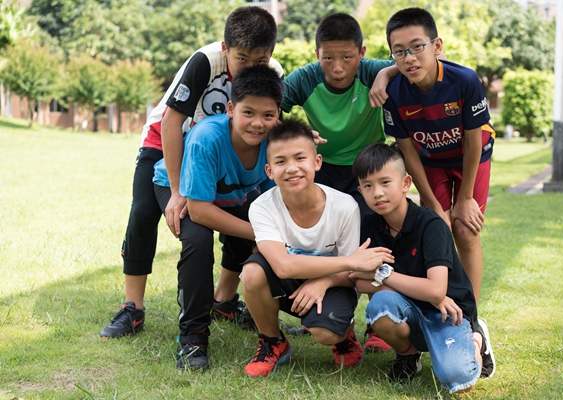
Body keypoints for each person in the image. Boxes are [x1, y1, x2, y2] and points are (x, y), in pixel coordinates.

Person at [100, 6, 283, 339]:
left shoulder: (273, 72)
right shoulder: (206, 62)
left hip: (218, 150)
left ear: (270, 55)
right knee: (144, 211)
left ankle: (223, 300)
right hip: (167, 140)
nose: (249, 68)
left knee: (242, 208)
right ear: (226, 49)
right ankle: (132, 307)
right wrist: (177, 191)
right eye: (241, 59)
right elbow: (172, 122)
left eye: (260, 60)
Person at [151, 64, 284, 370]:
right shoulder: (207, 138)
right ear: (230, 109)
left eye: (268, 115)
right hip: (182, 190)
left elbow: (272, 198)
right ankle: (192, 337)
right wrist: (258, 233)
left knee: (259, 227)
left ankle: (244, 310)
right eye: (248, 113)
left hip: (231, 195)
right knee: (198, 241)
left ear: (278, 115)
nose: (257, 123)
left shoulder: (275, 141)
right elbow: (199, 210)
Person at [280, 11, 398, 351]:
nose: (337, 67)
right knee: (325, 241)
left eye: (347, 57)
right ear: (316, 53)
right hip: (324, 169)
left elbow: (411, 64)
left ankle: (378, 322)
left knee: (376, 238)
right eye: (328, 57)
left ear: (362, 53)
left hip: (367, 168)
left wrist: (386, 73)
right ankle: (331, 316)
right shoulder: (304, 79)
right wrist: (301, 135)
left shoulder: (372, 71)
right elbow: (268, 109)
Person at [241, 119, 395, 377]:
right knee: (252, 272)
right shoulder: (262, 207)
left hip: (334, 282)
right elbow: (282, 266)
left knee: (326, 334)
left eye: (300, 158)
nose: (292, 168)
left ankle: (344, 336)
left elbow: (353, 276)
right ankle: (272, 341)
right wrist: (352, 261)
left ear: (317, 162)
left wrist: (323, 282)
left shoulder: (345, 206)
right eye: (280, 161)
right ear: (269, 171)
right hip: (288, 280)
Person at [350, 142, 496, 392]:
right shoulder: (370, 225)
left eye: (385, 182)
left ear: (405, 183)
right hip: (409, 309)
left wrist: (383, 273)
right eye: (368, 186)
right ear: (360, 190)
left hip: (448, 312)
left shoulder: (431, 225)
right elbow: (360, 282)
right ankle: (408, 356)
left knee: (459, 381)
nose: (377, 193)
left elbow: (437, 292)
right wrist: (421, 291)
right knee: (380, 305)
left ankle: (476, 338)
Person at [381, 7, 495, 306]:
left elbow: (472, 141)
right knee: (437, 230)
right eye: (399, 51)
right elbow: (407, 150)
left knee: (465, 229)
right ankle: (439, 305)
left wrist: (465, 198)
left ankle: (471, 315)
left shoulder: (465, 80)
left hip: (471, 157)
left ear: (437, 46)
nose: (409, 58)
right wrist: (431, 202)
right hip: (430, 162)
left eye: (417, 46)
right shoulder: (394, 93)